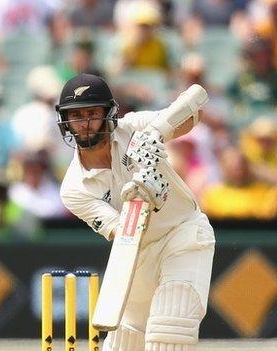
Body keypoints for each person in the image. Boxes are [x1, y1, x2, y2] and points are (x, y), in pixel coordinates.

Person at [57, 73, 215, 350]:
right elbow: (122, 233)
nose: (84, 123)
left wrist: (157, 134)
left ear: (108, 114)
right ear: (66, 121)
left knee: (170, 328)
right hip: (136, 256)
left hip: (183, 234)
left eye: (92, 113)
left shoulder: (134, 127)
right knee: (125, 342)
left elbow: (193, 116)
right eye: (76, 115)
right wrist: (141, 195)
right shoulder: (73, 189)